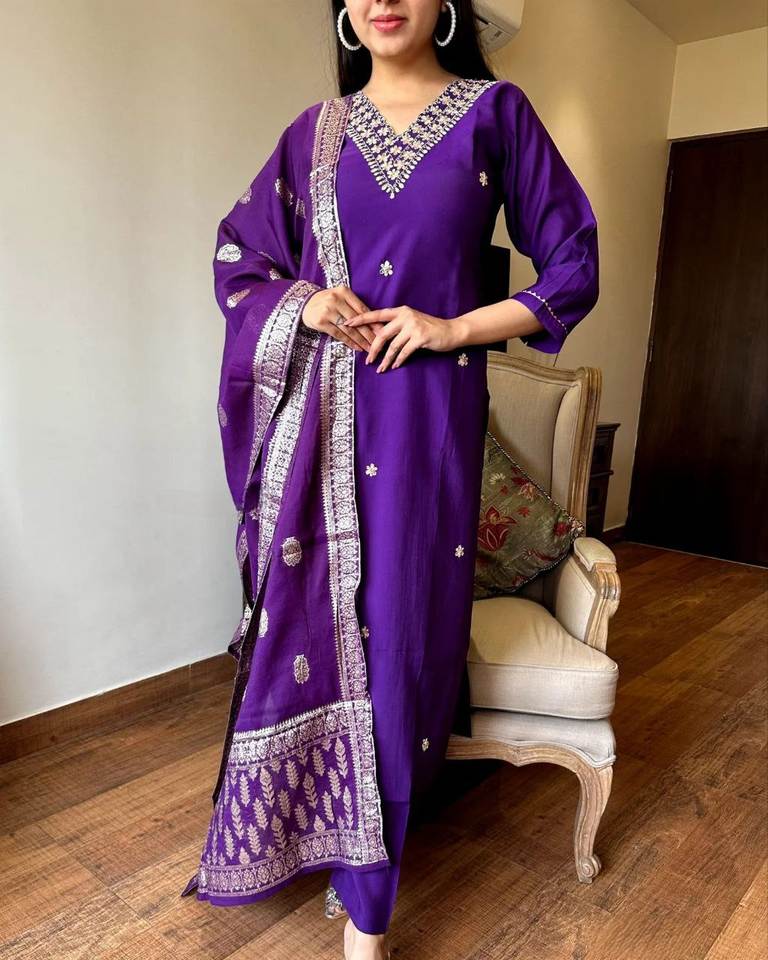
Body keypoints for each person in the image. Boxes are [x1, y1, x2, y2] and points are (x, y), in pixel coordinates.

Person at [180, 2, 599, 958]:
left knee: (402, 631)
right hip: (323, 422)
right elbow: (240, 256)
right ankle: (318, 837)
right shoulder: (313, 134)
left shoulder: (495, 114)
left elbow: (573, 263)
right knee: (313, 625)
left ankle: (368, 908)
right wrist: (304, 301)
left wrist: (454, 327)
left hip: (428, 419)